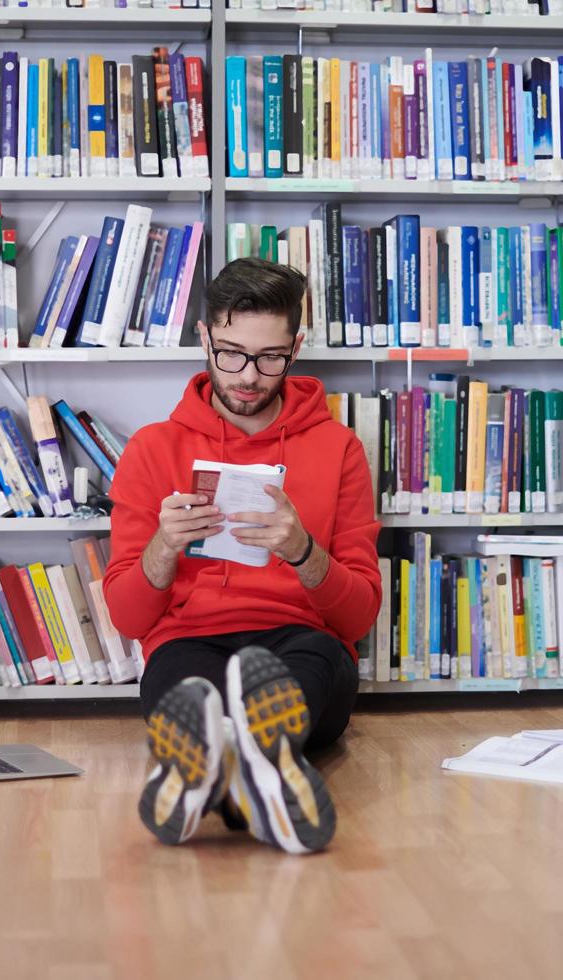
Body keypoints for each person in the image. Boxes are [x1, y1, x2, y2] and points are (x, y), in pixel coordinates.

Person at [103, 257, 382, 855]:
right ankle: (260, 768)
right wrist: (164, 546)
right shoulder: (154, 449)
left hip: (300, 641)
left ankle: (211, 773)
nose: (249, 377)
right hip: (190, 641)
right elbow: (129, 620)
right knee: (185, 685)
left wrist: (301, 549)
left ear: (296, 347)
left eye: (270, 358)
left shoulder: (339, 449)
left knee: (313, 659)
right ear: (204, 337)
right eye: (230, 353)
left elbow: (357, 619)